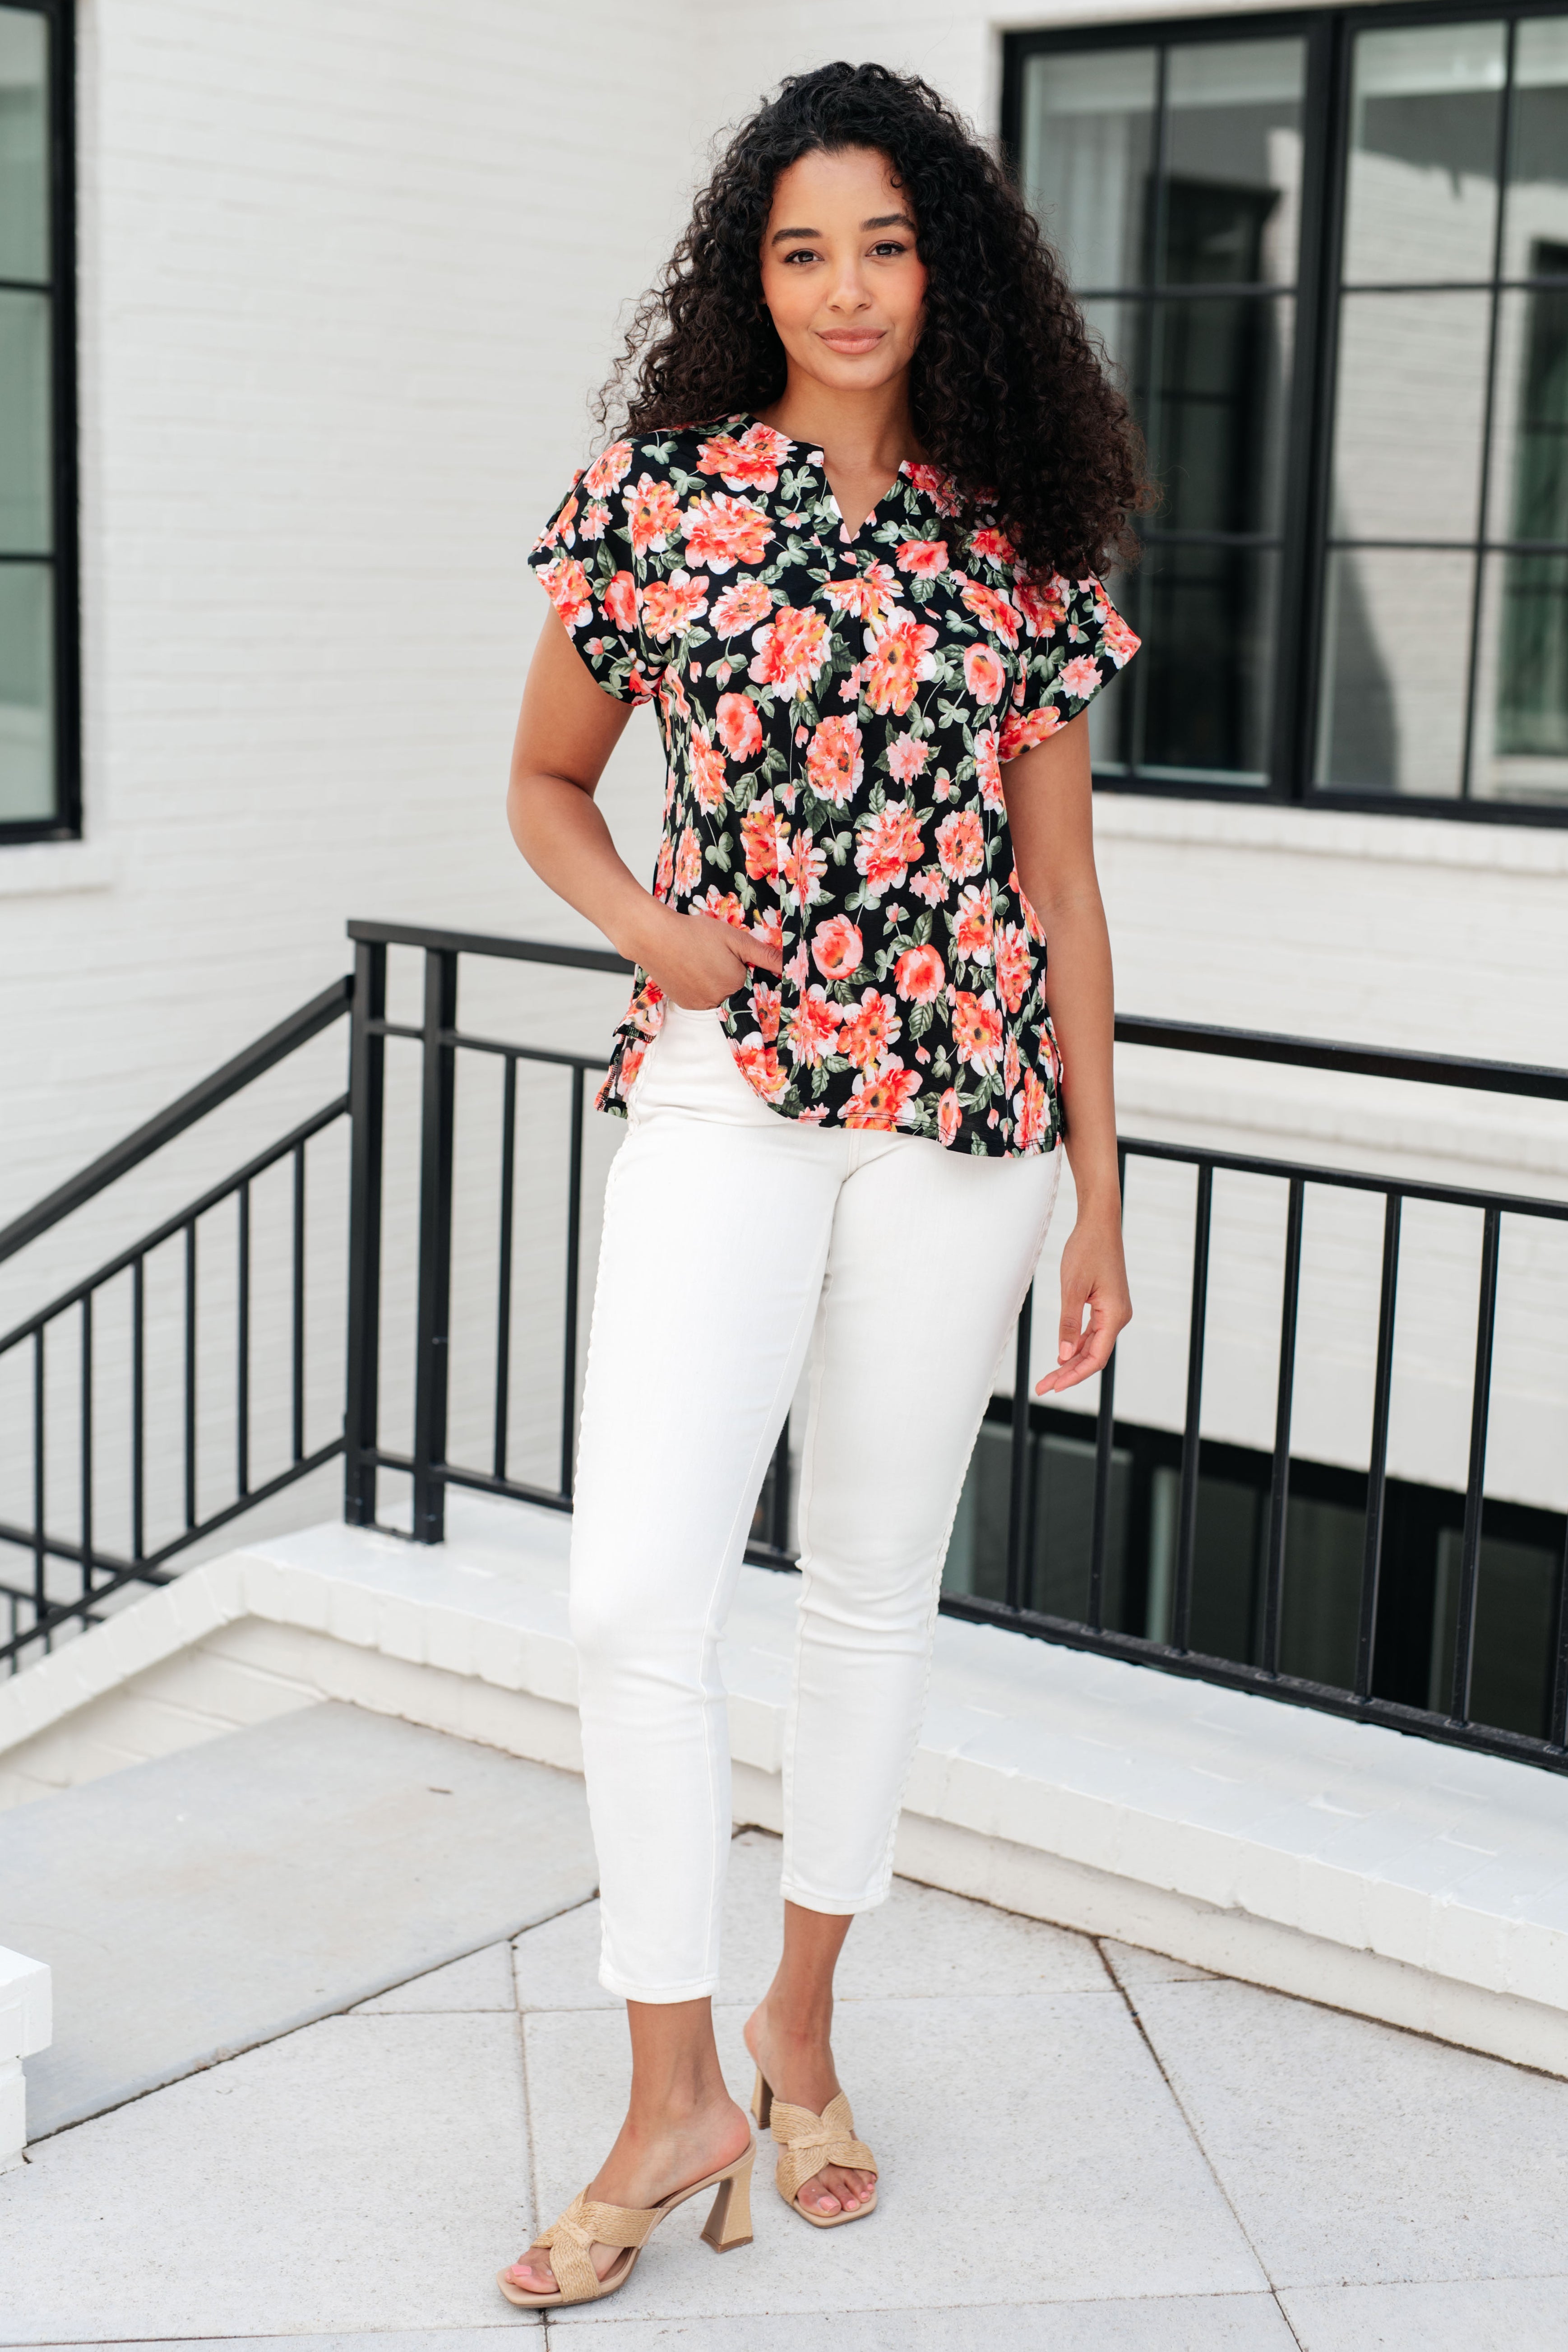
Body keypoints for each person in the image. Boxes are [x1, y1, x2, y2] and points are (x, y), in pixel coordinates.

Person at [498, 58, 1146, 2311]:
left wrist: (1101, 1189)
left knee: (866, 1595)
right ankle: (672, 2080)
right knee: (627, 1604)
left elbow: (1060, 891)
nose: (846, 286)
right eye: (801, 247)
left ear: (940, 261)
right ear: (746, 276)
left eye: (883, 242)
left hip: (965, 1120)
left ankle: (798, 2030)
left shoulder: (1020, 534)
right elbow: (549, 785)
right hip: (722, 1083)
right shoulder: (656, 504)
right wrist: (656, 934)